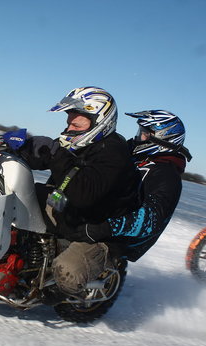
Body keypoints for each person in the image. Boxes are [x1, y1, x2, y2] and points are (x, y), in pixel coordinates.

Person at [19, 86, 141, 299]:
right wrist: (20, 147)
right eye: (69, 122)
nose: (69, 128)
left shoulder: (114, 153)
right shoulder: (80, 140)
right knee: (15, 195)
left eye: (76, 123)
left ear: (100, 120)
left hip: (97, 232)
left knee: (67, 272)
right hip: (69, 213)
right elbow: (46, 155)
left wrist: (56, 154)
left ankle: (53, 289)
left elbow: (83, 194)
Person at [60, 109, 192, 262]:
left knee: (67, 270)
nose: (138, 137)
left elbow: (152, 218)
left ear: (162, 139)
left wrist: (106, 228)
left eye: (144, 134)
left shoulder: (166, 177)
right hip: (97, 216)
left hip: (117, 239)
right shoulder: (134, 157)